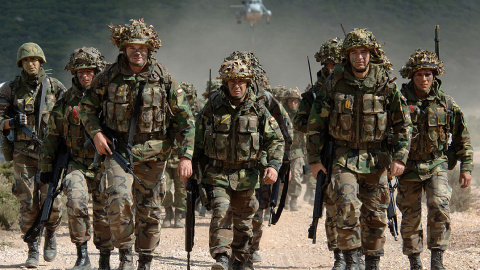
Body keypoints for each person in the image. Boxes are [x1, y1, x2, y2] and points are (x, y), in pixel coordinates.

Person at [79, 18, 195, 270]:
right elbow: (86, 108)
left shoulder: (164, 79)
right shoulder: (108, 77)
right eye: (132, 46)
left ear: (149, 49)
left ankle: (145, 258)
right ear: (124, 49)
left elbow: (185, 120)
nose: (137, 51)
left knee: (151, 211)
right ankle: (125, 254)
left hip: (154, 154)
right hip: (118, 152)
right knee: (118, 201)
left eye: (142, 46)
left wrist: (185, 156)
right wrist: (96, 134)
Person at [307, 28, 412, 270]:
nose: (359, 57)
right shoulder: (335, 82)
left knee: (375, 214)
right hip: (343, 156)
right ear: (347, 55)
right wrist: (314, 159)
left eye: (364, 52)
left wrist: (400, 158)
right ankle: (352, 260)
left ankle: (372, 263)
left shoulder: (385, 82)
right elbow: (316, 123)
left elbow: (403, 124)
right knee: (346, 206)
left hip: (377, 158)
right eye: (354, 52)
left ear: (371, 54)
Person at [194, 57, 284, 270]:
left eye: (241, 81)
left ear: (248, 83)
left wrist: (273, 165)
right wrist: (188, 162)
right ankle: (222, 257)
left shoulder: (259, 110)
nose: (236, 85)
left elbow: (276, 139)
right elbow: (195, 137)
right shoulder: (213, 107)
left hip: (246, 176)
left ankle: (241, 261)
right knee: (221, 210)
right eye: (232, 82)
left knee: (244, 224)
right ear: (225, 83)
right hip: (217, 174)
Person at [397, 49, 474, 270]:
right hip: (407, 166)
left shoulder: (446, 104)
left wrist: (466, 167)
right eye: (419, 74)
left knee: (439, 206)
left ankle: (437, 259)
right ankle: (414, 261)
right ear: (411, 75)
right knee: (410, 215)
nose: (424, 79)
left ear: (435, 76)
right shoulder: (398, 102)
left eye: (428, 74)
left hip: (436, 164)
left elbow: (463, 137)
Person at [40, 47, 112, 270]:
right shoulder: (66, 101)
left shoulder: (109, 98)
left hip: (105, 164)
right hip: (77, 163)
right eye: (80, 72)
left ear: (97, 72)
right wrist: (46, 168)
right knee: (75, 201)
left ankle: (105, 257)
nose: (84, 75)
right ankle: (82, 255)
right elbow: (52, 136)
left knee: (104, 211)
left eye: (89, 71)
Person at [0, 42, 66, 268]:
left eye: (35, 60)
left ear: (41, 62)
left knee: (53, 201)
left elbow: (71, 118)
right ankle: (32, 248)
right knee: (27, 202)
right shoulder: (9, 89)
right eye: (27, 60)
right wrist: (10, 122)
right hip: (23, 154)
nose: (31, 63)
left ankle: (51, 234)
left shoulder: (55, 87)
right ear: (21, 63)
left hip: (50, 155)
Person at [295, 37, 353, 270]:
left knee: (353, 205)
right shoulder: (315, 92)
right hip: (325, 152)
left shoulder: (351, 85)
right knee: (331, 205)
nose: (334, 67)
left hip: (351, 152)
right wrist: (318, 121)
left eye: (338, 61)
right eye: (330, 63)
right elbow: (299, 122)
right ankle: (338, 255)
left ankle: (354, 254)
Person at [162, 81, 199, 229]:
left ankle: (178, 214)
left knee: (181, 188)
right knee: (164, 188)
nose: (187, 100)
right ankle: (168, 212)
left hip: (182, 157)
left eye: (189, 97)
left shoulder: (194, 114)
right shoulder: (168, 111)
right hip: (166, 155)